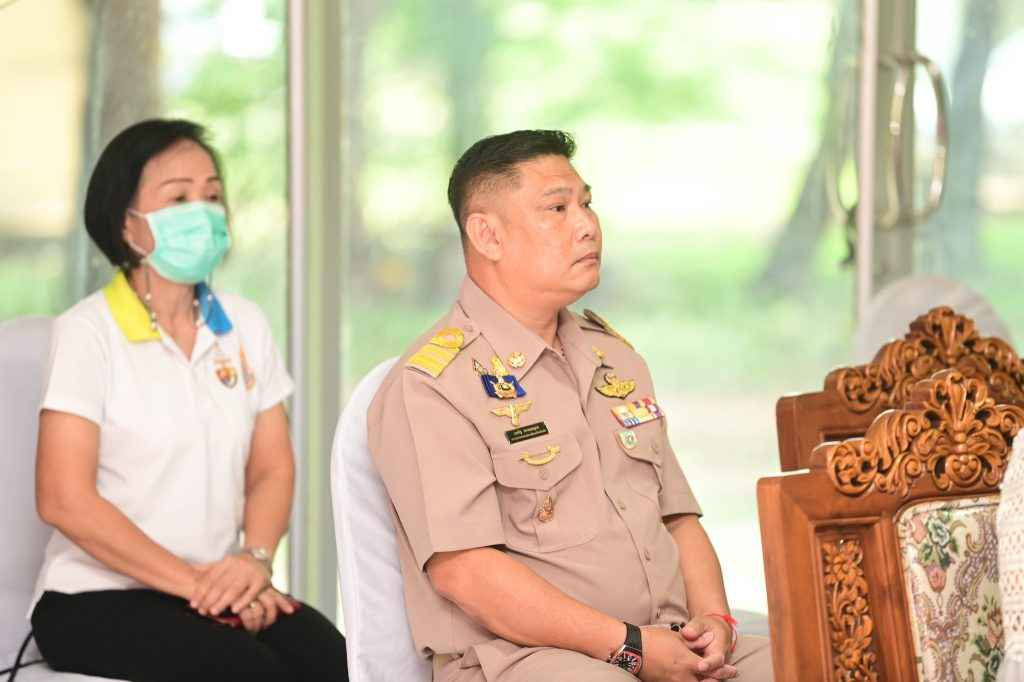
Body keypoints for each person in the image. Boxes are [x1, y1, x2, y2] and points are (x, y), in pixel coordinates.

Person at [368, 130, 773, 681]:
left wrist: (715, 623)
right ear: (487, 235)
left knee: (830, 662)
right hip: (525, 660)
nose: (587, 225)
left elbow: (678, 519)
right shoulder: (434, 386)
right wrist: (632, 649)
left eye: (587, 203)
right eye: (557, 209)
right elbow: (466, 573)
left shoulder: (615, 360)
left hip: (667, 641)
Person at [30, 119, 348, 682]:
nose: (202, 212)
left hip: (220, 585)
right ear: (127, 224)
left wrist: (253, 563)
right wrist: (199, 587)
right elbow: (63, 499)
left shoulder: (244, 324)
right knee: (253, 674)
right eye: (178, 198)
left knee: (340, 663)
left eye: (212, 196)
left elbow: (272, 469)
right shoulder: (87, 332)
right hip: (96, 597)